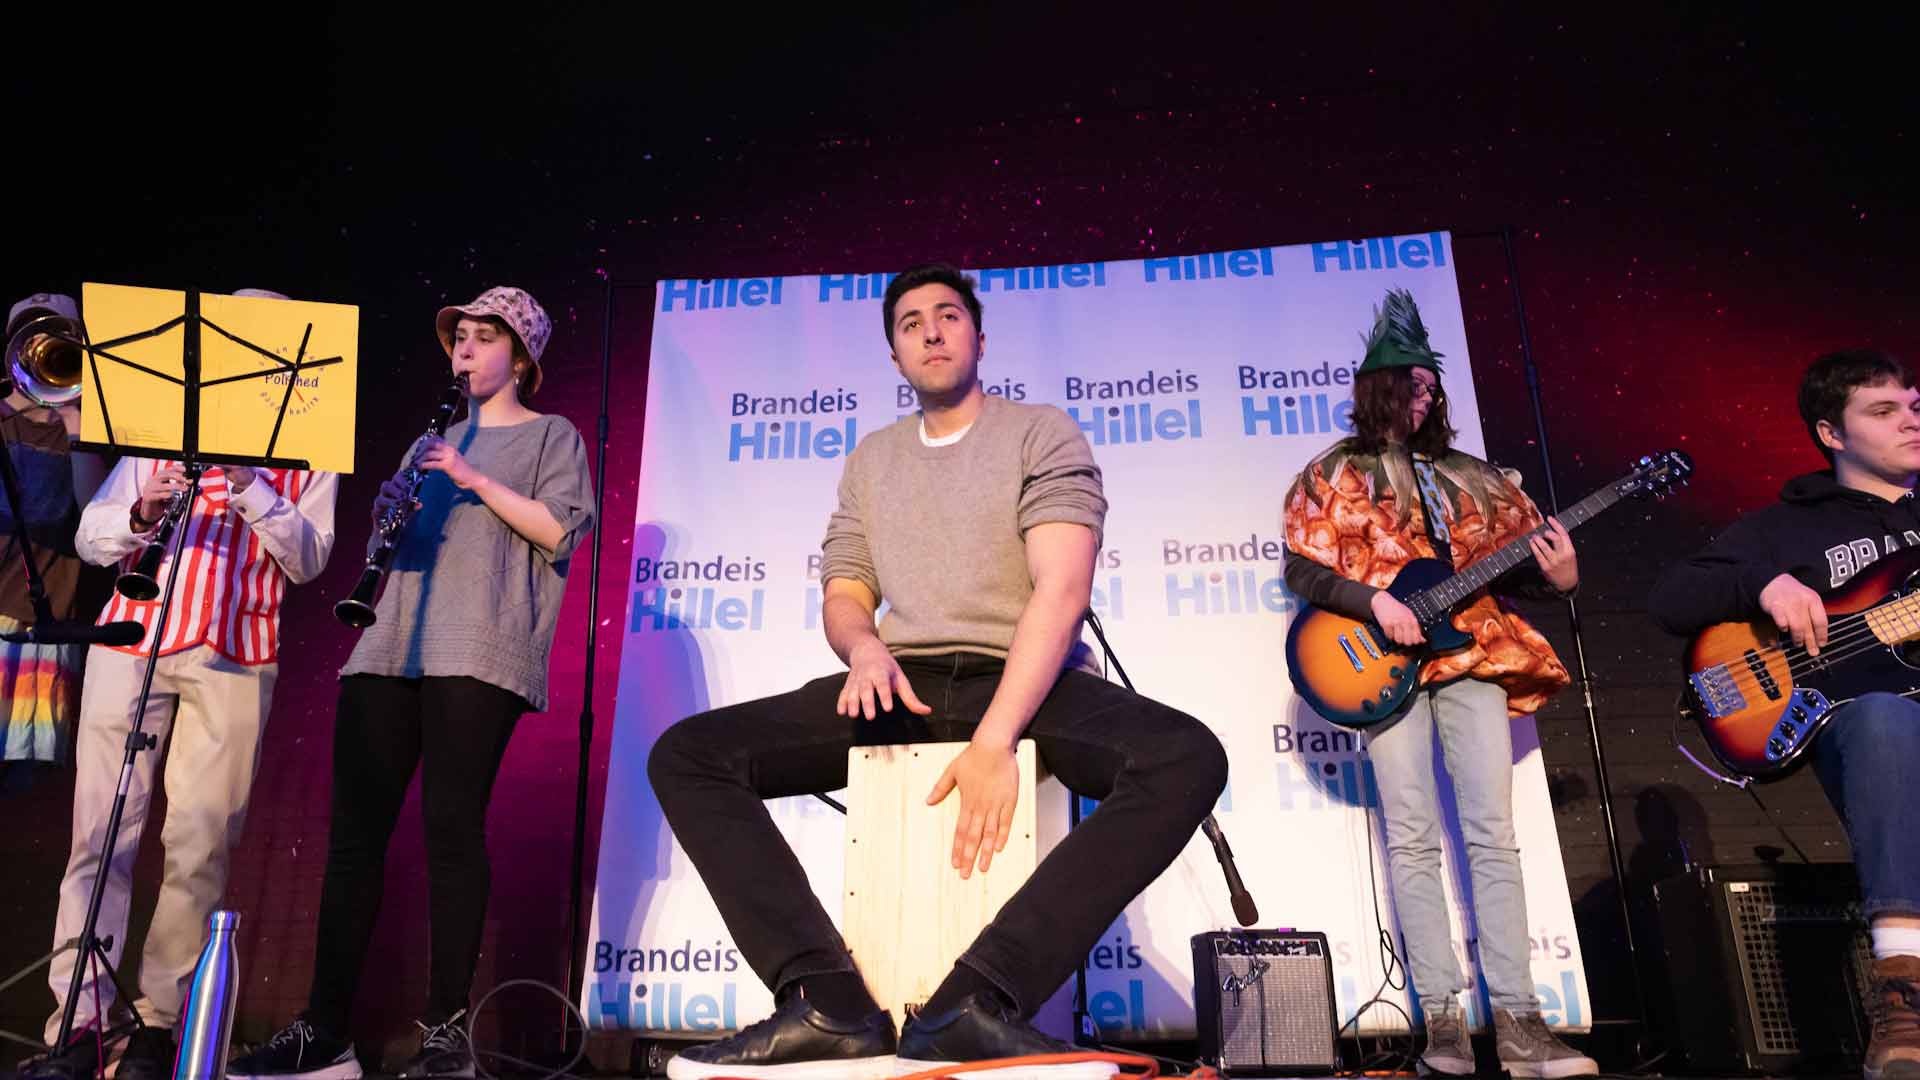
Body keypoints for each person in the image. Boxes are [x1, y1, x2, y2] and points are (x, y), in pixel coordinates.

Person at [643, 262, 1227, 1080]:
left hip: (1018, 678)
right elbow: (846, 589)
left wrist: (994, 743)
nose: (930, 330)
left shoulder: (1039, 431)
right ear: (894, 355)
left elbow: (1060, 592)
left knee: (1187, 754)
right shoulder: (872, 459)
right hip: (902, 682)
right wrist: (865, 648)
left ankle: (977, 999)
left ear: (978, 336)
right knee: (688, 754)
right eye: (910, 321)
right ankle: (825, 1001)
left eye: (948, 314)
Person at [229, 286, 595, 1080]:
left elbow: (559, 528)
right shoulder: (428, 440)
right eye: (457, 337)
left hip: (480, 646)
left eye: (480, 338)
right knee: (355, 838)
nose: (462, 350)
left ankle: (445, 1032)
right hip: (390, 643)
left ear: (522, 356)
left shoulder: (550, 435)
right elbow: (401, 547)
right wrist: (394, 508)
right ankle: (324, 1032)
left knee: (451, 827)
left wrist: (469, 474)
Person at [1281, 288, 1597, 1077]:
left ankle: (1522, 1026)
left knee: (1492, 832)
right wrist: (1375, 601)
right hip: (1385, 671)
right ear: (1377, 388)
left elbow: (1511, 575)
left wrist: (1558, 577)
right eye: (1408, 383)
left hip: (1474, 658)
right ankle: (1443, 1026)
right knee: (1413, 836)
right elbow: (1302, 566)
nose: (1423, 397)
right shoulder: (1333, 473)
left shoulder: (1478, 477)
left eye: (1431, 384)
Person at [28, 290, 339, 1080]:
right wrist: (139, 507)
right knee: (100, 836)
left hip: (236, 652)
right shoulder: (168, 423)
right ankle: (79, 1026)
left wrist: (248, 484)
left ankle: (161, 1027)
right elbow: (95, 539)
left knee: (199, 844)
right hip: (134, 642)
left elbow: (309, 557)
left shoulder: (311, 440)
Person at [1648, 349, 1920, 1080]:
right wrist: (1764, 582)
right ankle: (1904, 986)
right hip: (1861, 721)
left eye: (1914, 405)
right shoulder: (1784, 526)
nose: (1910, 420)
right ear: (1833, 433)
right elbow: (1673, 600)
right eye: (1884, 409)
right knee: (1884, 717)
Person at [0, 292, 108, 788]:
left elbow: (93, 517)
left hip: (41, 624)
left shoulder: (83, 428)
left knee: (23, 786)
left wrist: (76, 424)